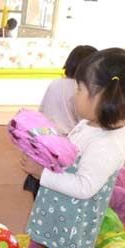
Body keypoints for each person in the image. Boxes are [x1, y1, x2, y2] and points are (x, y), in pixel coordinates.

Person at [20, 48, 125, 248]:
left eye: (79, 89)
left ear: (105, 95)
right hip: (63, 215)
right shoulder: (91, 124)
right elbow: (69, 155)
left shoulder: (109, 143)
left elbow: (84, 186)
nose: (73, 94)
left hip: (73, 226)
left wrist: (43, 174)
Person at [23, 45, 97, 199]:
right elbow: (83, 121)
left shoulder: (55, 83)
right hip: (65, 147)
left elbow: (41, 112)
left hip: (46, 141)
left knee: (41, 186)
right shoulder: (83, 91)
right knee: (58, 187)